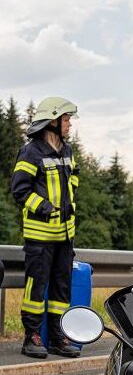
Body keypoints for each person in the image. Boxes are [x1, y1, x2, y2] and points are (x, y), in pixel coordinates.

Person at [10, 97, 81, 359]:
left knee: (62, 290)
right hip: (39, 237)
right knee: (36, 289)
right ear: (52, 121)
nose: (69, 124)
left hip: (65, 235)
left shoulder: (67, 150)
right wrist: (44, 207)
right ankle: (32, 337)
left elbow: (74, 177)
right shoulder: (31, 152)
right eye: (66, 119)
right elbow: (19, 189)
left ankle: (57, 338)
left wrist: (69, 200)